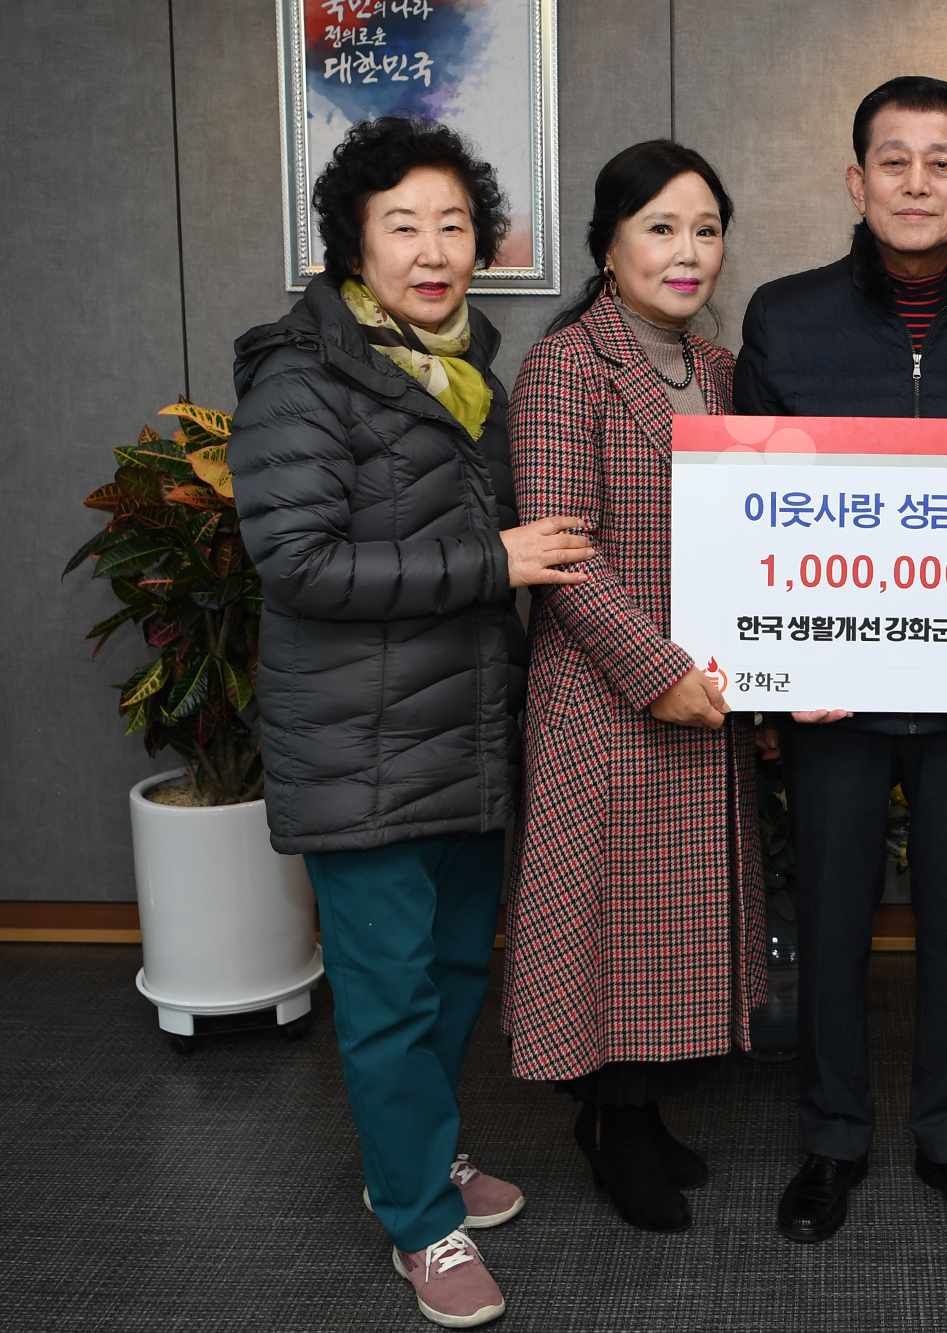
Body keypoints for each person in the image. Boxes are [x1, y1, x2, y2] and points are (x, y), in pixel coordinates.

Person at [231, 117, 597, 1329]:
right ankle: (417, 1223)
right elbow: (298, 563)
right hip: (358, 749)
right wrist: (492, 560)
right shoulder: (302, 375)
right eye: (404, 227)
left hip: (464, 734)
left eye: (453, 226)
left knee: (448, 975)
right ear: (353, 243)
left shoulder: (468, 367)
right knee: (387, 996)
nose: (433, 250)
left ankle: (421, 1154)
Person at [735, 76, 947, 1244]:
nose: (917, 183)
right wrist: (769, 681)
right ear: (855, 180)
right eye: (894, 160)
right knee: (831, 916)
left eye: (942, 163)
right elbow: (751, 509)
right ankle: (831, 1140)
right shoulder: (784, 317)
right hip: (830, 691)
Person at [501, 140, 765, 1236]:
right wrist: (658, 675)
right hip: (605, 700)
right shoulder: (566, 366)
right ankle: (610, 1127)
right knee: (609, 932)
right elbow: (564, 556)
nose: (687, 250)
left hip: (706, 698)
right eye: (660, 227)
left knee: (673, 935)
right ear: (608, 246)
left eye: (706, 228)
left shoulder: (723, 371)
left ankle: (642, 1116)